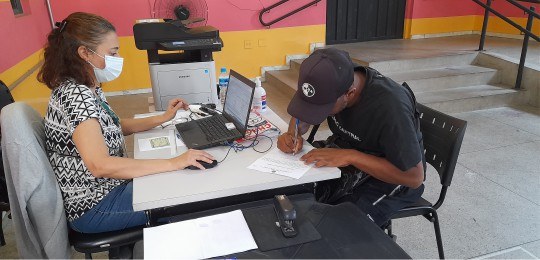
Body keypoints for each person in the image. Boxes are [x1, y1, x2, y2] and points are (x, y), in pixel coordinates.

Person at [38, 12, 215, 233]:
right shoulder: (76, 97)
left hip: (110, 189)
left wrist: (163, 118)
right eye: (112, 52)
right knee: (185, 198)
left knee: (178, 181)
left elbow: (112, 125)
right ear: (84, 53)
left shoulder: (86, 86)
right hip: (95, 206)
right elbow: (100, 165)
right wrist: (173, 162)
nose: (118, 57)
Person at [277, 48, 425, 227]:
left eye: (323, 108)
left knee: (340, 225)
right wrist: (293, 133)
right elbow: (303, 114)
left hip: (389, 173)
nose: (316, 113)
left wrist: (351, 156)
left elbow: (414, 178)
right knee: (288, 194)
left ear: (350, 93)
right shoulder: (325, 78)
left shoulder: (391, 107)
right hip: (346, 149)